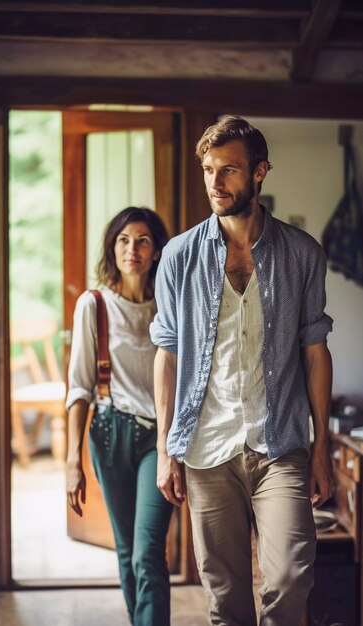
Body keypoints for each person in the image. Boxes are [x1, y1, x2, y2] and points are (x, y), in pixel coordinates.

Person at [150, 115, 334, 626]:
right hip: (207, 447)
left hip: (280, 444)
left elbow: (316, 351)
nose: (214, 182)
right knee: (225, 596)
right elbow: (166, 354)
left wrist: (321, 448)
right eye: (208, 169)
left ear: (259, 172)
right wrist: (166, 449)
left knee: (291, 577)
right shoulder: (178, 257)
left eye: (228, 170)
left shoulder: (302, 253)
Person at [66, 206, 172, 626]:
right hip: (110, 434)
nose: (133, 249)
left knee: (148, 551)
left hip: (160, 439)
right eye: (124, 240)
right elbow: (79, 388)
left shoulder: (170, 304)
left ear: (157, 249)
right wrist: (72, 462)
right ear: (113, 248)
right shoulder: (93, 305)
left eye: (143, 240)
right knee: (127, 551)